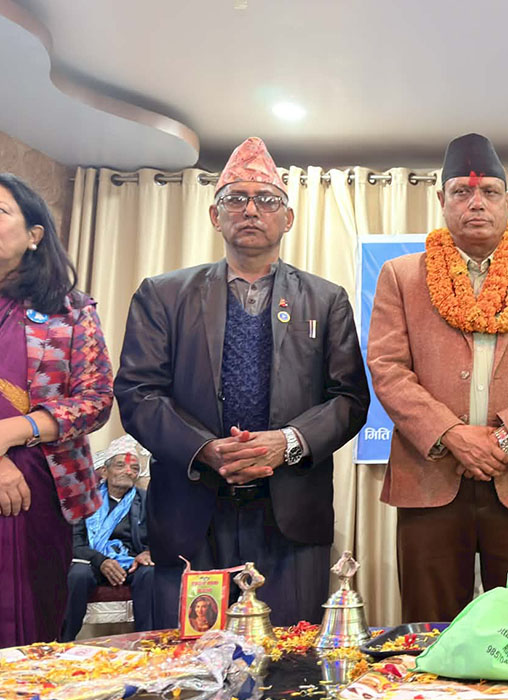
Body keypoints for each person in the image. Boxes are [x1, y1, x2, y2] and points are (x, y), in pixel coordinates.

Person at [115, 137, 370, 627]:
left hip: (290, 514)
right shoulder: (163, 295)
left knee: (289, 656)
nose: (251, 210)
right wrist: (206, 449)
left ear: (288, 218)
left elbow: (349, 399)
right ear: (215, 215)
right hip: (191, 512)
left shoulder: (326, 299)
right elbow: (138, 393)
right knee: (190, 659)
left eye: (267, 200)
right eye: (236, 198)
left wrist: (286, 443)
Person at [367, 133, 508, 622]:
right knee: (430, 626)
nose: (476, 203)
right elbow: (388, 368)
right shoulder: (402, 276)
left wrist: (505, 440)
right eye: (462, 191)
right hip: (431, 475)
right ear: (441, 200)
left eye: (489, 192)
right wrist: (453, 435)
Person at [0, 172, 113, 646]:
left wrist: (15, 431)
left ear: (34, 235)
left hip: (42, 491)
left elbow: (96, 399)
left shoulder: (70, 311)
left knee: (32, 628)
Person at [62, 435, 155, 641]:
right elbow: (74, 543)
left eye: (134, 468)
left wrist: (148, 553)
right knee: (78, 574)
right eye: (120, 465)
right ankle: (63, 641)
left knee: (150, 572)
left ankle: (148, 641)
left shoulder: (146, 500)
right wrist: (101, 561)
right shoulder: (85, 501)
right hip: (93, 562)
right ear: (104, 470)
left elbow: (160, 537)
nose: (128, 471)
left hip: (131, 564)